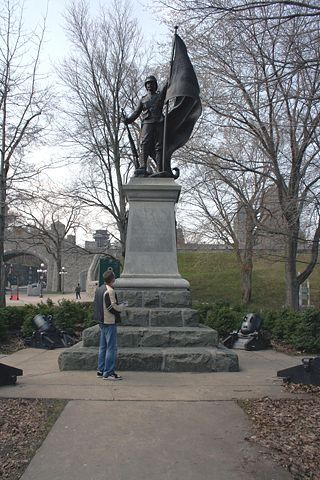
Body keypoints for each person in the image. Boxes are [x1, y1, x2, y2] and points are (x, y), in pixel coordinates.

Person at [123, 75, 167, 176]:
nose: (149, 85)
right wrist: (128, 120)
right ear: (146, 86)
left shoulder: (160, 96)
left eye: (151, 83)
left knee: (159, 146)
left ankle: (160, 168)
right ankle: (143, 166)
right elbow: (136, 113)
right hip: (148, 122)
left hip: (159, 122)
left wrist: (171, 72)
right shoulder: (143, 99)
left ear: (155, 85)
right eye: (148, 84)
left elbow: (166, 87)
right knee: (144, 143)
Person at [93, 269, 127, 380]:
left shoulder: (99, 289)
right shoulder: (110, 291)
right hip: (109, 321)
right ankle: (108, 373)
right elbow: (111, 307)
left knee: (103, 347)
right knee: (111, 348)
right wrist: (122, 307)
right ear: (112, 279)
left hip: (102, 321)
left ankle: (101, 370)